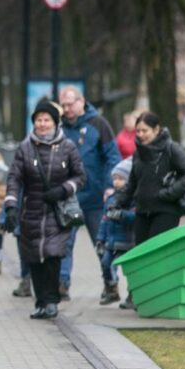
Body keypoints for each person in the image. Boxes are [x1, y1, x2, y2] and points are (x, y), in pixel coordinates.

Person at [2, 98, 85, 319]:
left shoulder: (67, 147)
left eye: (46, 120)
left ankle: (51, 301)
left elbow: (80, 177)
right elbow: (14, 178)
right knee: (33, 257)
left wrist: (63, 190)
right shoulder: (25, 148)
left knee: (51, 256)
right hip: (32, 212)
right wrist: (11, 206)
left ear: (55, 123)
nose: (42, 124)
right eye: (38, 120)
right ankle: (40, 301)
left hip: (57, 213)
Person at [114, 111, 185, 308]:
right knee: (139, 254)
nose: (140, 135)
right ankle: (136, 295)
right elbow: (133, 183)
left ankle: (156, 297)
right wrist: (119, 202)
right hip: (143, 210)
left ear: (156, 129)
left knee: (157, 254)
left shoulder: (171, 148)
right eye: (138, 131)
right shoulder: (139, 153)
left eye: (145, 131)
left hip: (165, 211)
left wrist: (169, 194)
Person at [58, 86, 120, 300]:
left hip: (95, 196)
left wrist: (110, 185)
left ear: (81, 101)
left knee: (102, 243)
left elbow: (113, 156)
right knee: (64, 243)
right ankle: (62, 284)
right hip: (69, 197)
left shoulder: (99, 124)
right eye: (63, 105)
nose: (66, 109)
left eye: (70, 104)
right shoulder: (60, 128)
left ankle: (111, 283)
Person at [95, 158, 135, 305]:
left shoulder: (133, 198)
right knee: (105, 264)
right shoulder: (110, 199)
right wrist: (100, 238)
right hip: (111, 242)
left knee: (131, 271)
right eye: (115, 178)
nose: (116, 182)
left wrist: (121, 215)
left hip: (128, 242)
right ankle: (112, 290)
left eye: (121, 179)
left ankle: (133, 295)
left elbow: (135, 217)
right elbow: (104, 220)